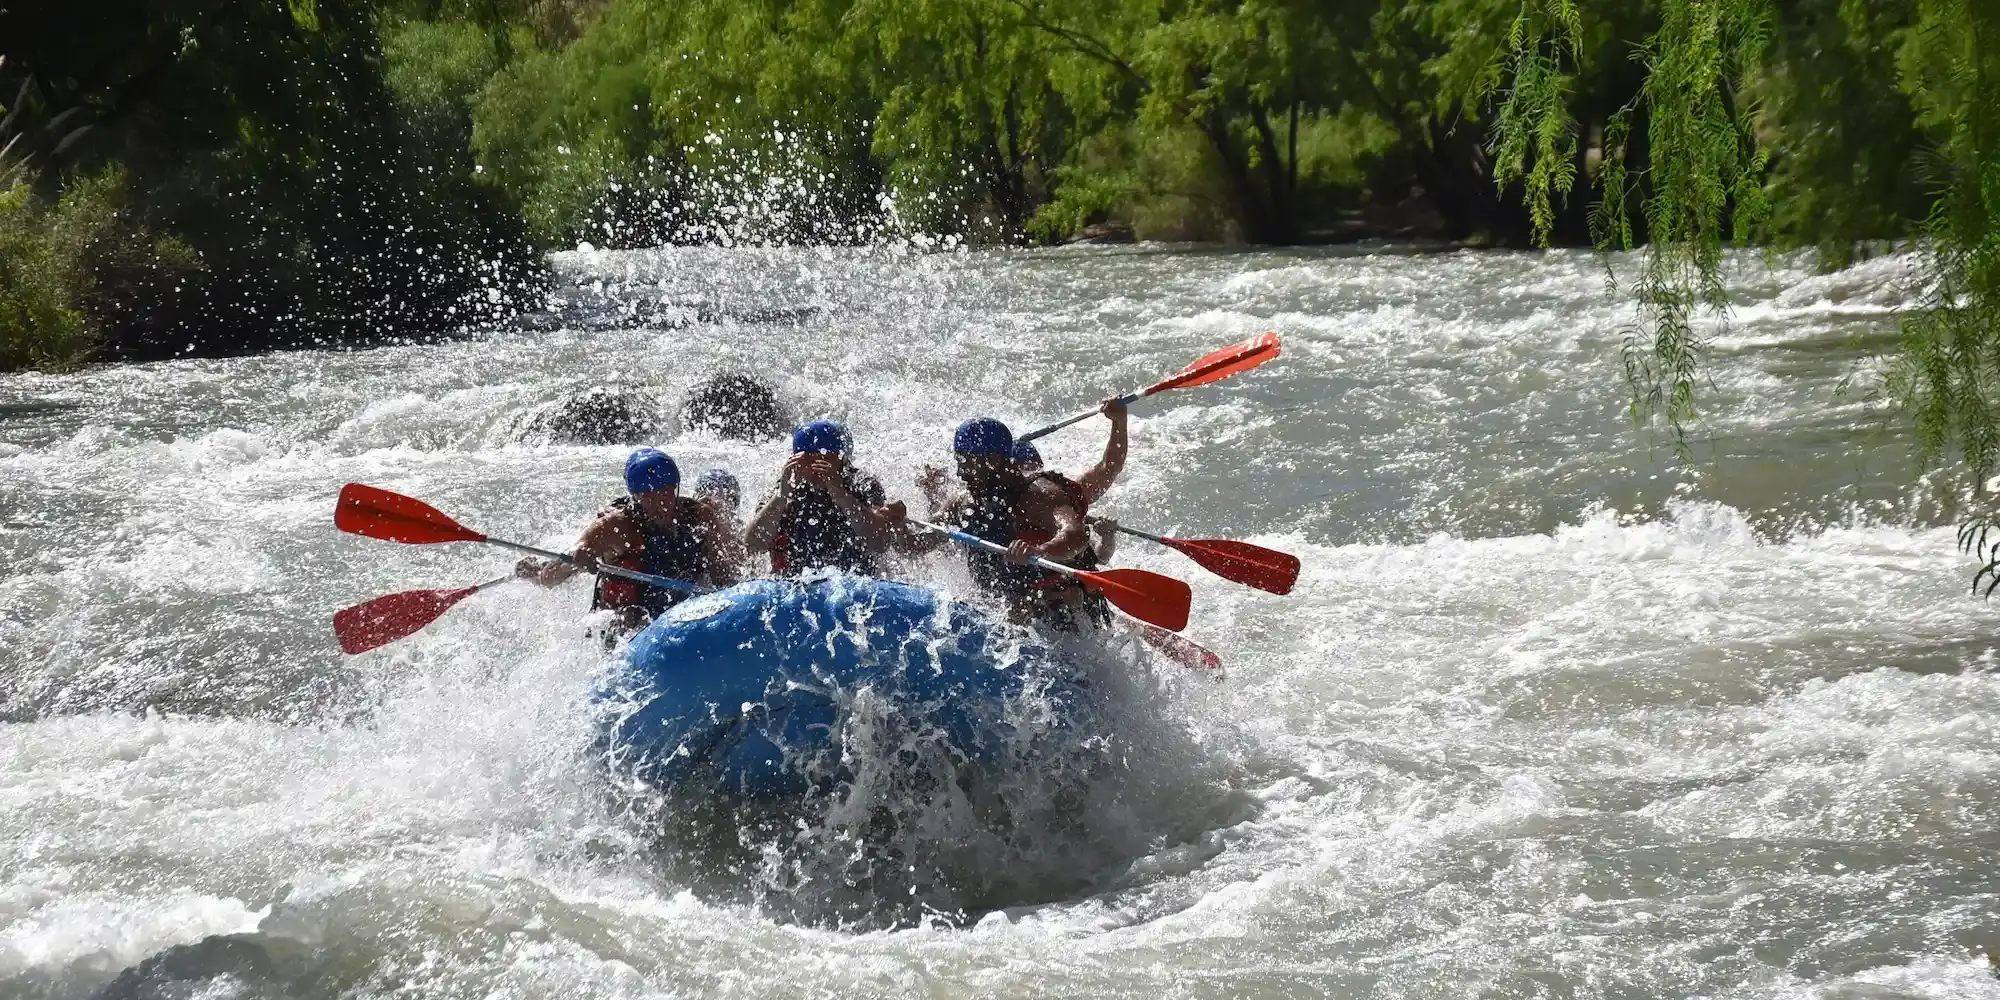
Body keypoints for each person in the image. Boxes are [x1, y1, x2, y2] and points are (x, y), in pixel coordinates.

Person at [513, 447, 739, 634]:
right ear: (636, 496)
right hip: (626, 617)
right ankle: (535, 571)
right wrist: (582, 554)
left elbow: (723, 573)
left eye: (666, 492)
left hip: (678, 605)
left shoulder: (698, 515)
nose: (660, 503)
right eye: (650, 496)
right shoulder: (616, 525)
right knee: (567, 573)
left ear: (675, 488)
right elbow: (582, 546)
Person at [918, 416, 1107, 630]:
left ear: (994, 460)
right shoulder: (963, 502)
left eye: (966, 463)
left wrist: (1039, 551)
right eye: (958, 462)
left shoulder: (1039, 495)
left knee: (1034, 603)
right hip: (1001, 614)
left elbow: (1075, 534)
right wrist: (893, 523)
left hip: (1060, 615)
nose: (960, 472)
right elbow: (916, 544)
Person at [745, 419, 905, 577]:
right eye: (808, 461)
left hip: (857, 579)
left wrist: (841, 496)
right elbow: (752, 546)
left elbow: (880, 542)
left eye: (824, 460)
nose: (816, 469)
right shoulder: (786, 486)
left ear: (842, 460)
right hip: (797, 582)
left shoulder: (862, 484)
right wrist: (781, 497)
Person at [691, 467, 749, 580]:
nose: (711, 510)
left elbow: (742, 572)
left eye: (719, 506)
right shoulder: (689, 527)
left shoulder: (739, 533)